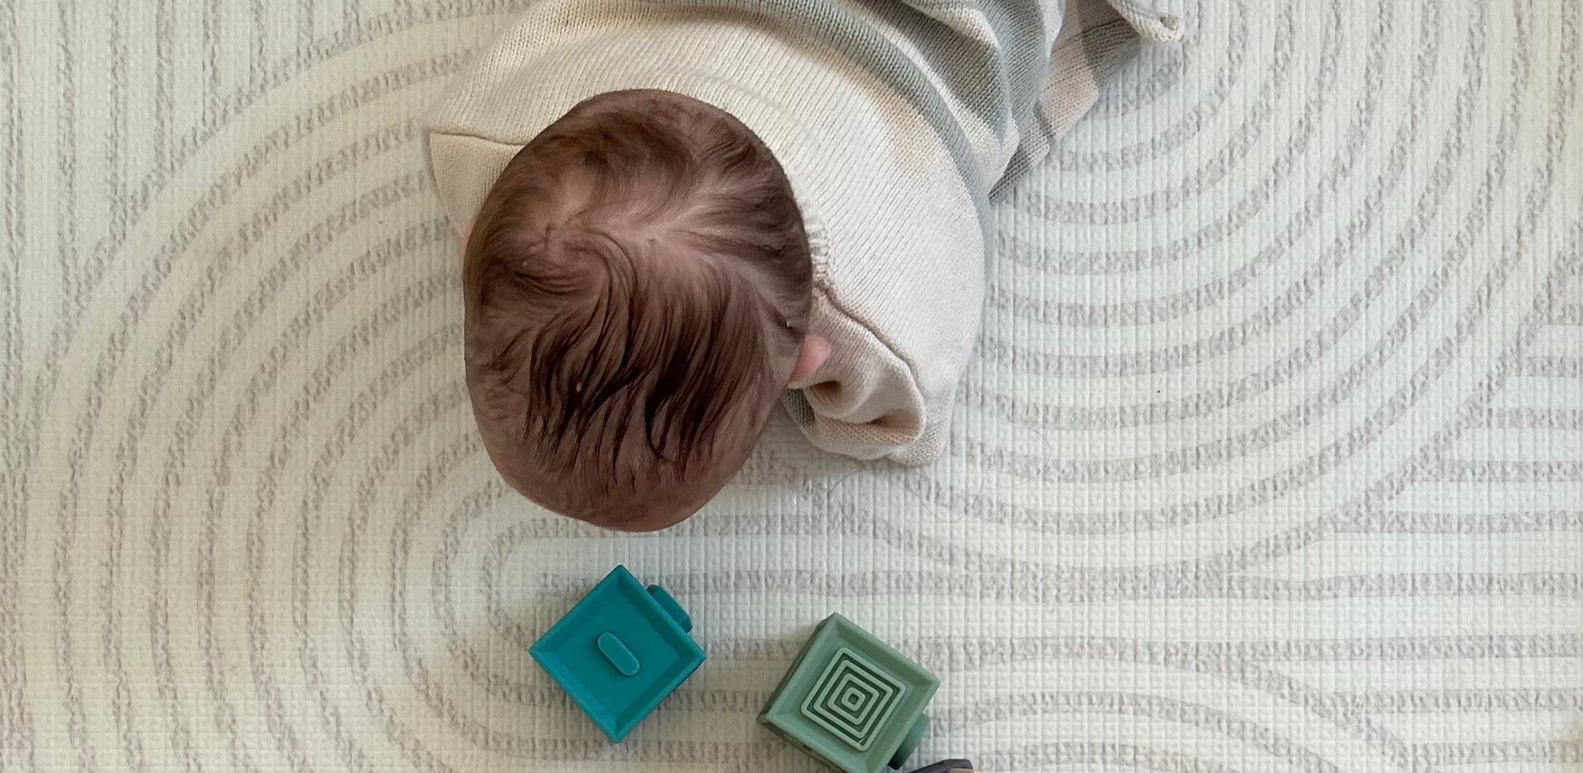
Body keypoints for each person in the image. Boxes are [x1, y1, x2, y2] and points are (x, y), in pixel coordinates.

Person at [425, 0, 1181, 527]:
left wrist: (836, 389)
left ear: (810, 357)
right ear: (468, 247)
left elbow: (902, 425)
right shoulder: (484, 134)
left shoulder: (876, 308)